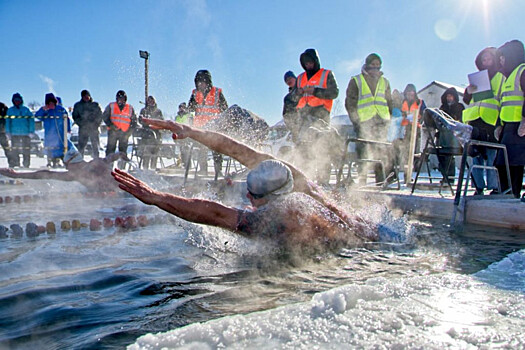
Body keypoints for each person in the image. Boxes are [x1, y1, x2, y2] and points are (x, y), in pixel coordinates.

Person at [112, 118, 379, 254]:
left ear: (269, 199)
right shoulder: (300, 182)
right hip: (373, 233)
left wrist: (155, 197)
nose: (249, 200)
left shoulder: (277, 220)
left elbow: (214, 213)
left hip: (354, 256)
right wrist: (190, 132)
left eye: (253, 198)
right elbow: (238, 150)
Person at [0, 142, 128, 192]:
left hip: (117, 195)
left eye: (66, 165)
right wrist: (120, 154)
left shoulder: (77, 174)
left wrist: (16, 175)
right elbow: (111, 157)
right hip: (122, 191)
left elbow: (44, 174)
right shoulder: (96, 162)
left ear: (72, 163)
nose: (66, 168)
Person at [462, 47, 505, 195]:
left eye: (489, 59)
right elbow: (467, 100)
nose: (486, 62)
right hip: (475, 120)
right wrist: (468, 91)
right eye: (483, 60)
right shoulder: (477, 78)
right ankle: (478, 187)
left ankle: (494, 187)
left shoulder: (500, 77)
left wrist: (500, 123)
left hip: (491, 121)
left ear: (494, 60)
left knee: (492, 155)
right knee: (475, 154)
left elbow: (503, 99)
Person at [345, 53, 394, 185]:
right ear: (367, 65)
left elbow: (389, 102)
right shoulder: (356, 80)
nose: (375, 68)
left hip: (381, 120)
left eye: (378, 66)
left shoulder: (385, 82)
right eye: (373, 65)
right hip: (364, 121)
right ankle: (362, 181)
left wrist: (388, 118)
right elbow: (350, 102)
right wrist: (355, 120)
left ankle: (381, 181)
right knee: (363, 151)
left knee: (381, 151)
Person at [294, 49, 340, 185]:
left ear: (315, 61)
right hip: (303, 116)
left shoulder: (326, 74)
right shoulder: (300, 77)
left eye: (310, 62)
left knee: (322, 146)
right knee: (303, 148)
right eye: (305, 63)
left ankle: (323, 180)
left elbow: (334, 93)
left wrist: (315, 91)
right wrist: (299, 93)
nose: (308, 65)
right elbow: (293, 97)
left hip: (321, 115)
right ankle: (304, 180)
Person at [495, 39, 525, 198]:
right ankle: (504, 193)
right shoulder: (507, 77)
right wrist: (499, 125)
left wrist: (524, 120)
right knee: (502, 162)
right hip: (508, 127)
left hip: (519, 127)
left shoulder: (522, 71)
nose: (501, 60)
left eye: (503, 56)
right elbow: (503, 103)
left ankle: (513, 195)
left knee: (515, 163)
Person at [187, 70, 228, 176]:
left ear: (208, 82)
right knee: (201, 149)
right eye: (198, 82)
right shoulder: (195, 94)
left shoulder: (217, 93)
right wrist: (191, 120)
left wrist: (222, 124)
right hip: (200, 127)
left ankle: (218, 171)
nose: (200, 84)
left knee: (217, 150)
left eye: (202, 82)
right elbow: (190, 109)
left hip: (214, 126)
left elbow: (225, 110)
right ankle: (203, 170)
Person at [35, 93, 71, 168]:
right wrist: (42, 110)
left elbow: (66, 119)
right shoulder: (46, 111)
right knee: (50, 148)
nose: (51, 105)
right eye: (49, 103)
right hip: (49, 133)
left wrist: (68, 128)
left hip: (60, 133)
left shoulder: (60, 109)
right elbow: (37, 116)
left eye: (52, 103)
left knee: (60, 148)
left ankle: (59, 162)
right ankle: (50, 161)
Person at [102, 90, 137, 166]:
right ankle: (108, 168)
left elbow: (134, 122)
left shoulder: (130, 108)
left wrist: (129, 132)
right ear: (116, 99)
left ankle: (122, 169)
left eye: (122, 98)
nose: (121, 100)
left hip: (124, 133)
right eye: (119, 98)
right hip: (113, 132)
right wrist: (111, 125)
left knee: (123, 152)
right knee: (110, 150)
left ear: (125, 99)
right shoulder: (111, 106)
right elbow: (104, 117)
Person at [437, 87, 464, 183]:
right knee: (442, 156)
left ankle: (450, 178)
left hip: (454, 138)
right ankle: (445, 176)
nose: (449, 98)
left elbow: (460, 122)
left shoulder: (459, 107)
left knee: (449, 156)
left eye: (451, 96)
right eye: (448, 96)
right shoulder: (443, 108)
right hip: (443, 137)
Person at [6, 93, 34, 168]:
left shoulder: (26, 110)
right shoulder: (10, 110)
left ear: (21, 100)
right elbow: (8, 121)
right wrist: (8, 132)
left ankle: (26, 164)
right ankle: (16, 163)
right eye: (15, 100)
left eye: (18, 100)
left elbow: (31, 120)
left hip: (26, 133)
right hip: (14, 133)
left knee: (26, 150)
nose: (17, 101)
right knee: (15, 150)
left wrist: (31, 131)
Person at [72, 90, 103, 159]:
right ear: (82, 97)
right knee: (81, 147)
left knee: (95, 146)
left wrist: (96, 124)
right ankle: (80, 162)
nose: (86, 97)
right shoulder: (78, 105)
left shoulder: (95, 105)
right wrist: (82, 124)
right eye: (84, 96)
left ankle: (96, 161)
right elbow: (75, 116)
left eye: (87, 96)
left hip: (94, 129)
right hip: (83, 129)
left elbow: (100, 116)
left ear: (89, 96)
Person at [138, 95, 164, 170]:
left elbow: (161, 121)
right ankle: (145, 168)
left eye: (152, 101)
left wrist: (154, 123)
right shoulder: (144, 110)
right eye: (149, 101)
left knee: (155, 153)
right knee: (146, 153)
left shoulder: (158, 111)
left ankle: (153, 168)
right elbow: (140, 120)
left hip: (156, 135)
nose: (150, 102)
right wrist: (146, 123)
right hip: (146, 136)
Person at [282, 70, 300, 142]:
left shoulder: (303, 89)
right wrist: (292, 128)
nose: (288, 81)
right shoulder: (287, 98)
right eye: (286, 80)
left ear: (295, 78)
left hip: (307, 123)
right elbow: (285, 115)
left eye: (290, 78)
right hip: (295, 129)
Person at [174, 102, 193, 168]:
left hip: (186, 135)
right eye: (180, 108)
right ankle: (183, 164)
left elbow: (191, 125)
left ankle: (188, 165)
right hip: (179, 135)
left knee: (186, 150)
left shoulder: (188, 116)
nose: (181, 109)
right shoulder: (177, 117)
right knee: (181, 151)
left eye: (182, 108)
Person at [0, 102, 14, 167]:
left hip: (2, 132)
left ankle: (12, 163)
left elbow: (9, 118)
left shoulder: (3, 106)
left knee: (7, 148)